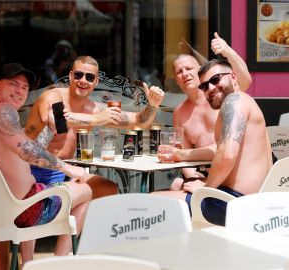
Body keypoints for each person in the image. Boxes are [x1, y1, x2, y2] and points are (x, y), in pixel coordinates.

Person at [0, 63, 92, 269]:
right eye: (14, 84)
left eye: (25, 88)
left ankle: (24, 263)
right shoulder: (3, 111)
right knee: (86, 188)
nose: (20, 92)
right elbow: (27, 149)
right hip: (23, 211)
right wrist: (69, 169)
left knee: (37, 186)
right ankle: (58, 264)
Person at [25, 55, 165, 198]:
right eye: (79, 75)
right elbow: (56, 119)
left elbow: (139, 120)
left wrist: (153, 104)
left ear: (96, 81)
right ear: (71, 75)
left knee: (108, 188)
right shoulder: (52, 96)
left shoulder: (94, 109)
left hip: (65, 172)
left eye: (90, 77)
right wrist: (97, 119)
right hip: (33, 169)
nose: (83, 81)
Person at [155, 58, 272, 225]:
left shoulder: (234, 102)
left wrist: (205, 189)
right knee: (175, 190)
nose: (210, 88)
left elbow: (227, 155)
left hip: (234, 205)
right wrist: (181, 155)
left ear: (232, 77)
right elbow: (223, 151)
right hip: (252, 201)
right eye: (204, 86)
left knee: (150, 203)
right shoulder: (244, 101)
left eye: (215, 80)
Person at [163, 32, 252, 190]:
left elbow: (244, 80)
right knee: (176, 185)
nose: (184, 74)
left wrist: (228, 52)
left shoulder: (220, 97)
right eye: (179, 71)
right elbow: (183, 153)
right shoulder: (180, 113)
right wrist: (192, 178)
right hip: (205, 175)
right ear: (175, 79)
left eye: (189, 68)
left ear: (199, 72)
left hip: (231, 174)